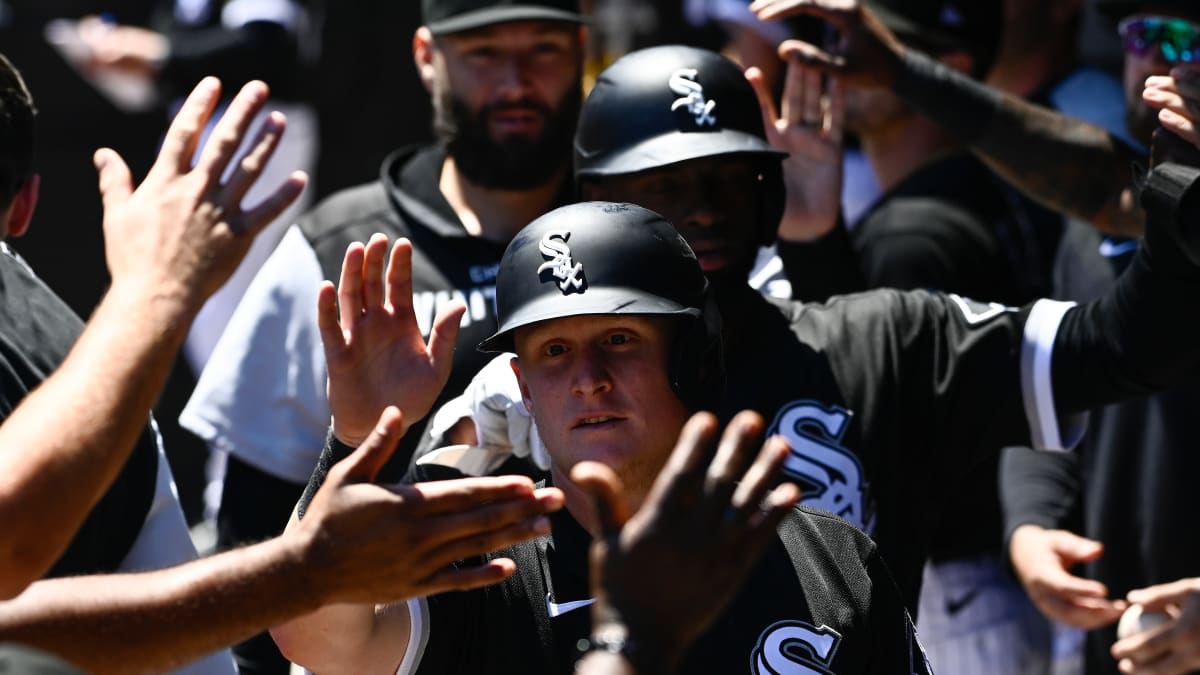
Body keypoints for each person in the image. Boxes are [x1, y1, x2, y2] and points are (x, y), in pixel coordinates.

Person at [273, 202, 931, 674]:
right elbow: (315, 637)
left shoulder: (832, 557)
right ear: (524, 387)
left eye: (620, 339)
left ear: (692, 359)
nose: (588, 379)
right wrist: (360, 440)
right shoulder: (478, 564)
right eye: (554, 350)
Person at [742, 1, 1200, 672]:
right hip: (1125, 635)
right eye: (1145, 32)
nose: (1162, 61)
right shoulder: (1129, 213)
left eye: (1188, 39)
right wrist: (1032, 520)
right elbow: (1054, 370)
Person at [178, 0, 586, 642]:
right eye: (483, 52)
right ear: (427, 57)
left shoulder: (635, 230)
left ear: (583, 53)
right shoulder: (336, 251)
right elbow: (248, 538)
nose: (515, 82)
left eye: (544, 49)